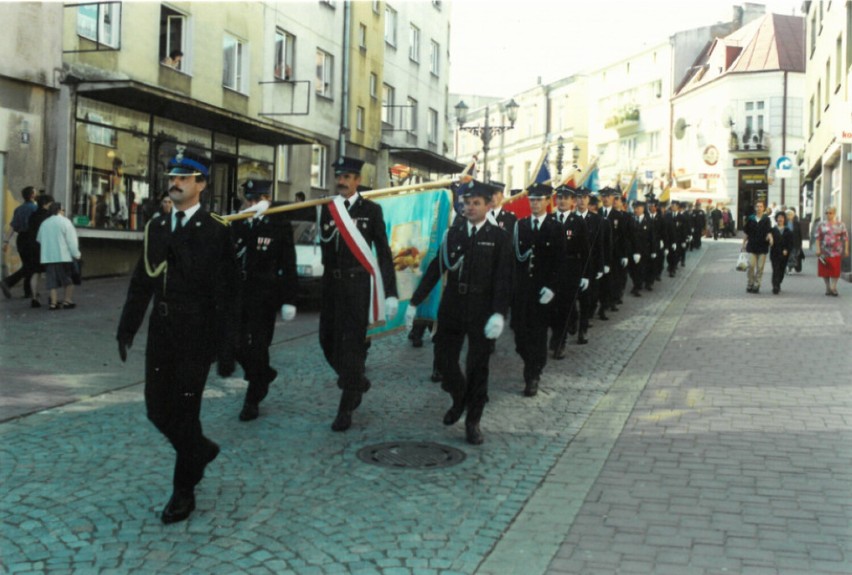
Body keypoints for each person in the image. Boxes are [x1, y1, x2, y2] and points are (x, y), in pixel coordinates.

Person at [116, 149, 239, 524]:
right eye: (172, 175)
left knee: (186, 413)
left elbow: (227, 292)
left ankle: (183, 491)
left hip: (196, 333)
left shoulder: (217, 229)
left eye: (184, 177)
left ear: (201, 183)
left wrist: (227, 347)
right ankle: (200, 451)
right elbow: (142, 280)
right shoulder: (156, 226)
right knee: (156, 408)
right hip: (162, 329)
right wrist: (128, 326)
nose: (175, 182)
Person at [407, 180, 513, 444]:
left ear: (489, 206)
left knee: (478, 367)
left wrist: (499, 313)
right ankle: (459, 397)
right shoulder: (453, 234)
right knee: (443, 359)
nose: (470, 207)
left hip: (482, 308)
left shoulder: (499, 237)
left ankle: (473, 421)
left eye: (476, 203)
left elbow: (504, 278)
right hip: (454, 304)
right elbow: (436, 269)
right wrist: (414, 302)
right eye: (466, 203)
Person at [319, 156, 398, 432]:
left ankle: (345, 407)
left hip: (359, 287)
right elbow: (327, 253)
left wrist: (390, 292)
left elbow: (384, 253)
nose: (341, 181)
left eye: (347, 177)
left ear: (357, 180)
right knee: (327, 342)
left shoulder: (371, 210)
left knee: (352, 347)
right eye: (338, 176)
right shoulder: (329, 209)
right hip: (333, 286)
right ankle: (357, 382)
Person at [233, 179, 298, 421]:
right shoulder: (237, 222)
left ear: (266, 199)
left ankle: (252, 399)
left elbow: (288, 263)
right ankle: (263, 374)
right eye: (248, 199)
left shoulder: (278, 223)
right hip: (239, 295)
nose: (251, 204)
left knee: (259, 346)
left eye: (256, 199)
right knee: (234, 344)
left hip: (264, 297)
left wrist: (289, 299)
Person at [510, 183, 561, 397]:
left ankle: (532, 375)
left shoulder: (555, 227)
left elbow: (560, 261)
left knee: (538, 335)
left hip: (542, 292)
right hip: (522, 291)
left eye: (539, 200)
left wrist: (552, 287)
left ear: (548, 201)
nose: (535, 204)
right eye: (532, 200)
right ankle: (530, 363)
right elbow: (514, 259)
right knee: (520, 336)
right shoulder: (520, 226)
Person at [550, 185, 590, 360]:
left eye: (566, 198)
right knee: (552, 308)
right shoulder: (549, 220)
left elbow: (585, 250)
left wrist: (585, 275)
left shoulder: (578, 222)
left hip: (570, 271)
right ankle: (563, 329)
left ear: (572, 201)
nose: (562, 201)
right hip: (551, 272)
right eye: (560, 197)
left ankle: (560, 342)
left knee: (564, 308)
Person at [35, 202, 81, 310]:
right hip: (64, 256)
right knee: (69, 281)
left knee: (52, 282)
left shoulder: (45, 223)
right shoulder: (65, 222)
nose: (64, 212)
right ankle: (67, 300)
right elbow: (72, 241)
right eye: (63, 210)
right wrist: (76, 254)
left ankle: (53, 303)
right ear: (59, 210)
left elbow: (39, 239)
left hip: (48, 257)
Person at [1, 186, 39, 303]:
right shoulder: (35, 209)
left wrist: (6, 241)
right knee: (31, 265)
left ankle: (29, 291)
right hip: (31, 238)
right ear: (32, 195)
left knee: (28, 263)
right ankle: (8, 282)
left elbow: (13, 226)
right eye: (35, 192)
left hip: (21, 239)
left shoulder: (19, 209)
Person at [814, 206, 849, 296]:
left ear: (834, 213)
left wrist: (846, 249)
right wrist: (818, 249)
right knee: (825, 270)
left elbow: (845, 238)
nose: (828, 215)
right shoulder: (821, 224)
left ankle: (833, 287)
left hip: (836, 251)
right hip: (824, 251)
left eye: (830, 213)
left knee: (835, 269)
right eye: (827, 213)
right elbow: (817, 238)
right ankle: (827, 287)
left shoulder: (840, 224)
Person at [743, 200, 773, 294]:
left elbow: (769, 231)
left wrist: (770, 238)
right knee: (751, 266)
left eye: (761, 206)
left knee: (760, 267)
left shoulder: (766, 219)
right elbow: (747, 233)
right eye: (757, 206)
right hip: (752, 246)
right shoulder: (751, 219)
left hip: (762, 246)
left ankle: (757, 285)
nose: (759, 208)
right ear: (755, 208)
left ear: (763, 208)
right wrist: (743, 243)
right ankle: (750, 283)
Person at [628, 200, 656, 296]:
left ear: (643, 209)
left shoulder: (648, 221)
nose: (636, 210)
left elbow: (652, 237)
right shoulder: (631, 220)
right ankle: (636, 284)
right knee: (632, 270)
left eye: (638, 208)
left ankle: (637, 287)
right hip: (632, 250)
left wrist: (653, 250)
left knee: (641, 269)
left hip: (644, 250)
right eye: (635, 208)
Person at [769, 211, 793, 295]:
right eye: (778, 217)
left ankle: (778, 282)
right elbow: (768, 239)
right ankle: (775, 286)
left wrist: (787, 249)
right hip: (774, 253)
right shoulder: (772, 230)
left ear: (784, 219)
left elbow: (790, 243)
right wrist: (769, 238)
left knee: (782, 270)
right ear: (776, 219)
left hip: (784, 253)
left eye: (782, 217)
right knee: (775, 269)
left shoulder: (787, 231)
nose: (780, 219)